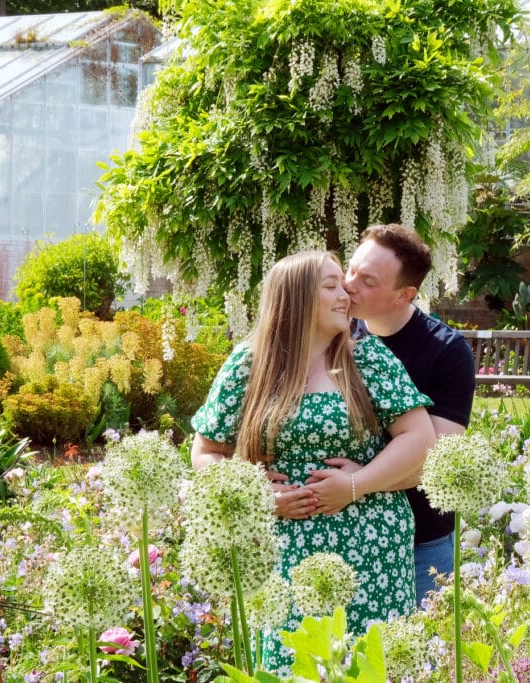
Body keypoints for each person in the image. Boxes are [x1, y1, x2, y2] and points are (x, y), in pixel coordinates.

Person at [190, 250, 435, 674]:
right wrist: (259, 497)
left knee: (372, 668)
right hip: (284, 553)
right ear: (297, 296)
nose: (345, 295)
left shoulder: (367, 359)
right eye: (331, 285)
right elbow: (206, 452)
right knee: (290, 665)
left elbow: (420, 439)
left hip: (372, 550)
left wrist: (355, 485)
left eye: (343, 284)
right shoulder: (249, 366)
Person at [337, 224, 477, 600]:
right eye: (351, 270)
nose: (348, 285)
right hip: (341, 533)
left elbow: (433, 464)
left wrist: (356, 483)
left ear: (405, 294)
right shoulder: (331, 333)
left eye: (367, 281)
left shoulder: (446, 351)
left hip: (421, 541)